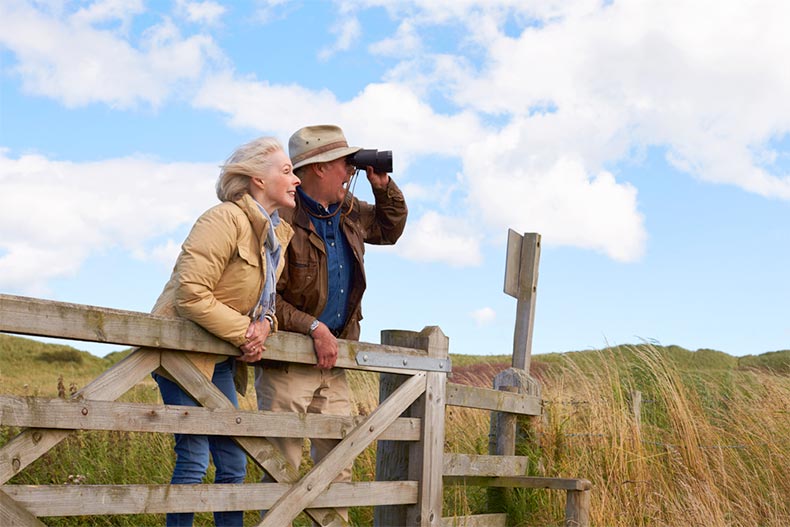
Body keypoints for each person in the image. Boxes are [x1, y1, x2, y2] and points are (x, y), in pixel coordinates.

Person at [254, 124, 408, 523]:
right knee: (279, 466)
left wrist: (381, 186)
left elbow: (389, 229)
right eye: (344, 162)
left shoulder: (348, 209)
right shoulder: (282, 215)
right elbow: (267, 296)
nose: (349, 170)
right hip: (287, 361)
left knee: (338, 466)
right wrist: (313, 327)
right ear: (319, 168)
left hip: (333, 362)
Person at [151, 136, 299, 527]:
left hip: (218, 359)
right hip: (180, 354)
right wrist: (245, 333)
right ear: (256, 179)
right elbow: (190, 294)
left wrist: (264, 326)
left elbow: (265, 306)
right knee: (195, 458)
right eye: (286, 171)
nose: (296, 179)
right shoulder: (222, 219)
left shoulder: (275, 236)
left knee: (233, 460)